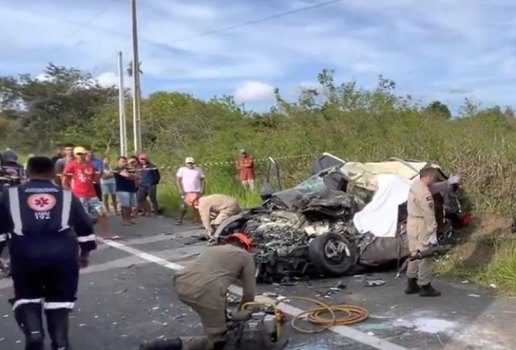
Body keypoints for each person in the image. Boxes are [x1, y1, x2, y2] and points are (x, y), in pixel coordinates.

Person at [0, 156, 97, 350]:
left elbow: (0, 229)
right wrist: (85, 254)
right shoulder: (68, 195)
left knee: (27, 297)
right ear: (53, 173)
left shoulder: (9, 196)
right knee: (59, 303)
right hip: (63, 257)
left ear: (27, 173)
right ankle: (60, 343)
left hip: (25, 256)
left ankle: (34, 335)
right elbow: (85, 227)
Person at [139, 233, 256, 350]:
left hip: (181, 282)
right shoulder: (245, 256)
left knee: (214, 304)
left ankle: (216, 323)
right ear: (245, 246)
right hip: (206, 291)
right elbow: (249, 293)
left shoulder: (213, 250)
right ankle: (160, 347)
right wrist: (243, 315)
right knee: (218, 340)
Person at [405, 167, 460, 297]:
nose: (435, 179)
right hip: (422, 225)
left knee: (414, 253)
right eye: (434, 177)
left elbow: (433, 187)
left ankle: (411, 282)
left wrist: (448, 183)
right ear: (429, 177)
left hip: (412, 223)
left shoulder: (416, 185)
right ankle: (425, 285)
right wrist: (433, 233)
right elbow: (429, 214)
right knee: (426, 254)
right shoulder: (425, 194)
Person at [63, 147, 117, 239]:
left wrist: (97, 177)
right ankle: (80, 234)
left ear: (85, 154)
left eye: (82, 154)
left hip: (91, 193)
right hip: (79, 194)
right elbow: (64, 177)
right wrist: (66, 189)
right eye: (78, 154)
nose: (80, 156)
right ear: (75, 155)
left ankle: (107, 233)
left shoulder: (90, 165)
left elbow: (94, 176)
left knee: (101, 213)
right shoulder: (72, 165)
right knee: (84, 216)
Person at [176, 157, 205, 225]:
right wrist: (180, 189)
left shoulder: (198, 170)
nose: (190, 164)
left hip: (196, 191)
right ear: (186, 163)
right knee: (183, 206)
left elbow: (202, 180)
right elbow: (178, 180)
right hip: (186, 192)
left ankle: (196, 220)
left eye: (191, 163)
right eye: (188, 163)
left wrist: (202, 189)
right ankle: (180, 220)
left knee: (196, 207)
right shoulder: (182, 170)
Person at [114, 156, 138, 226]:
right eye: (122, 161)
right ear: (118, 162)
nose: (124, 163)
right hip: (122, 189)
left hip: (131, 188)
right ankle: (124, 220)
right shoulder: (116, 169)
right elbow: (126, 176)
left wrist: (132, 176)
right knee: (125, 205)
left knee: (130, 205)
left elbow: (137, 177)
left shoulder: (129, 168)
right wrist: (131, 176)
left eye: (125, 161)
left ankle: (129, 219)